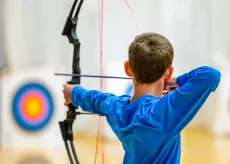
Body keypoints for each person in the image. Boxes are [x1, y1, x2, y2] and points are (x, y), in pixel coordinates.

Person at [63, 32, 221, 164]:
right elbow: (211, 75)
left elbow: (95, 99)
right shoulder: (163, 113)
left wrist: (73, 92)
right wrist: (176, 81)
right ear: (168, 72)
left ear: (127, 68)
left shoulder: (116, 108)